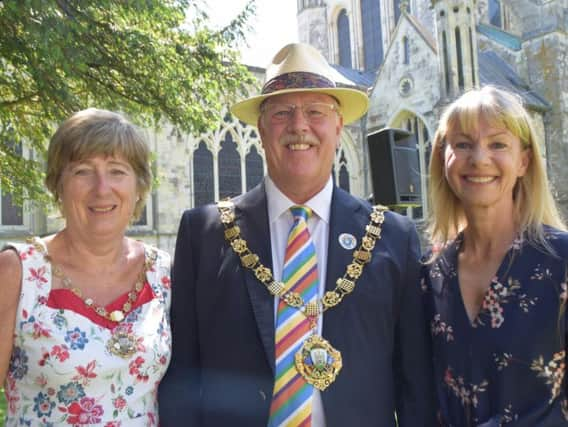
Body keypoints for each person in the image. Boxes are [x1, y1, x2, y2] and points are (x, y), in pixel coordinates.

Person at [159, 42, 435, 426]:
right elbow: (182, 379)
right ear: (260, 128)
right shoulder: (204, 234)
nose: (299, 126)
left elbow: (415, 387)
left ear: (339, 127)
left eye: (315, 112)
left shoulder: (392, 237)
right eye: (283, 112)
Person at [0, 108, 171, 426]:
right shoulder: (17, 271)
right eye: (82, 171)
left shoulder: (163, 272)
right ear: (58, 185)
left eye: (117, 171)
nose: (102, 188)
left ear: (138, 187)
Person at [422, 85, 568, 425]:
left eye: (497, 144)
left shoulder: (561, 261)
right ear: (443, 158)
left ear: (524, 161)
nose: (479, 158)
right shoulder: (430, 274)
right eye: (462, 144)